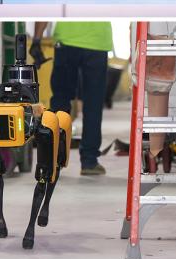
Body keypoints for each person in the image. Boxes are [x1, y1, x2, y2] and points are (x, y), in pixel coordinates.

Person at [31, 21, 112, 176]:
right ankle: (89, 162)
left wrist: (37, 39)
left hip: (66, 41)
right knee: (93, 104)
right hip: (97, 41)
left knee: (60, 101)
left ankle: (53, 160)